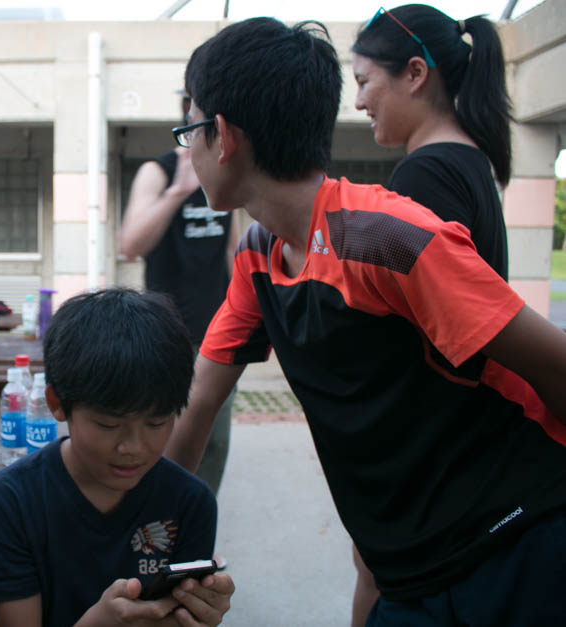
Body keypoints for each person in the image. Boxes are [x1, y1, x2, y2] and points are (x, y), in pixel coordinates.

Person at [164, 16, 566, 626]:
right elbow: (199, 399)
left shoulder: (384, 237)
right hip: (408, 571)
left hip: (512, 546)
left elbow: (554, 366)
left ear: (221, 136)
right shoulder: (258, 257)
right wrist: (154, 537)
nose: (185, 149)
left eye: (187, 129)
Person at [349, 5, 514, 623]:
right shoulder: (469, 161)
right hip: (458, 438)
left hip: (430, 446)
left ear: (415, 73)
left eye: (365, 81)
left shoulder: (427, 175)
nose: (360, 101)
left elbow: (411, 325)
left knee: (380, 575)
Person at [0, 288, 235, 627]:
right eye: (109, 424)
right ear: (56, 403)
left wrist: (201, 613)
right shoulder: (10, 501)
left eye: (156, 422)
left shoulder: (192, 502)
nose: (134, 447)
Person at [119, 92, 238, 496]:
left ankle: (196, 526)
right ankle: (156, 525)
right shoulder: (158, 170)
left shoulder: (226, 171)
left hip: (217, 331)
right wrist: (176, 192)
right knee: (161, 435)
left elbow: (230, 250)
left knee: (214, 441)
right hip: (167, 333)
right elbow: (130, 245)